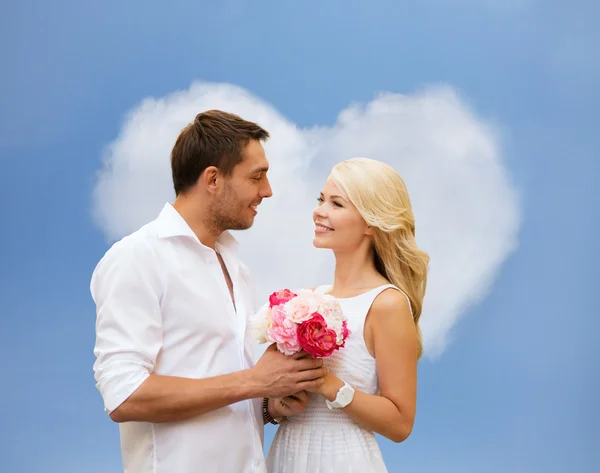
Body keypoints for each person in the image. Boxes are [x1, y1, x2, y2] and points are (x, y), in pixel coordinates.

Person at [91, 110, 327, 473]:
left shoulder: (236, 267)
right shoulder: (137, 257)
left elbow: (224, 385)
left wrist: (267, 405)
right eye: (256, 177)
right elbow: (125, 396)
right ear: (213, 179)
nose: (267, 190)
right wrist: (253, 382)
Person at [266, 157, 430, 473]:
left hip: (342, 460)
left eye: (336, 204)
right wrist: (280, 400)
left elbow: (400, 423)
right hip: (287, 454)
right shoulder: (310, 298)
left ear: (370, 222)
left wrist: (329, 385)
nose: (319, 211)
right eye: (321, 200)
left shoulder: (387, 304)